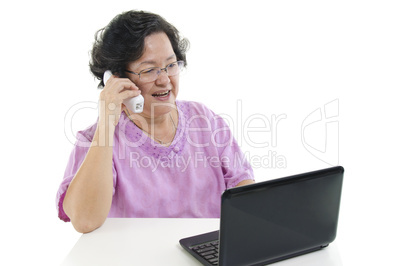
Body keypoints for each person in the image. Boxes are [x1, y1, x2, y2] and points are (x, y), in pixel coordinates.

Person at [56, 10, 254, 233]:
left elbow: (242, 185)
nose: (164, 80)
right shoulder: (95, 139)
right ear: (117, 78)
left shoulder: (204, 119)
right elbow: (85, 221)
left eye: (170, 65)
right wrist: (107, 122)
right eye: (149, 70)